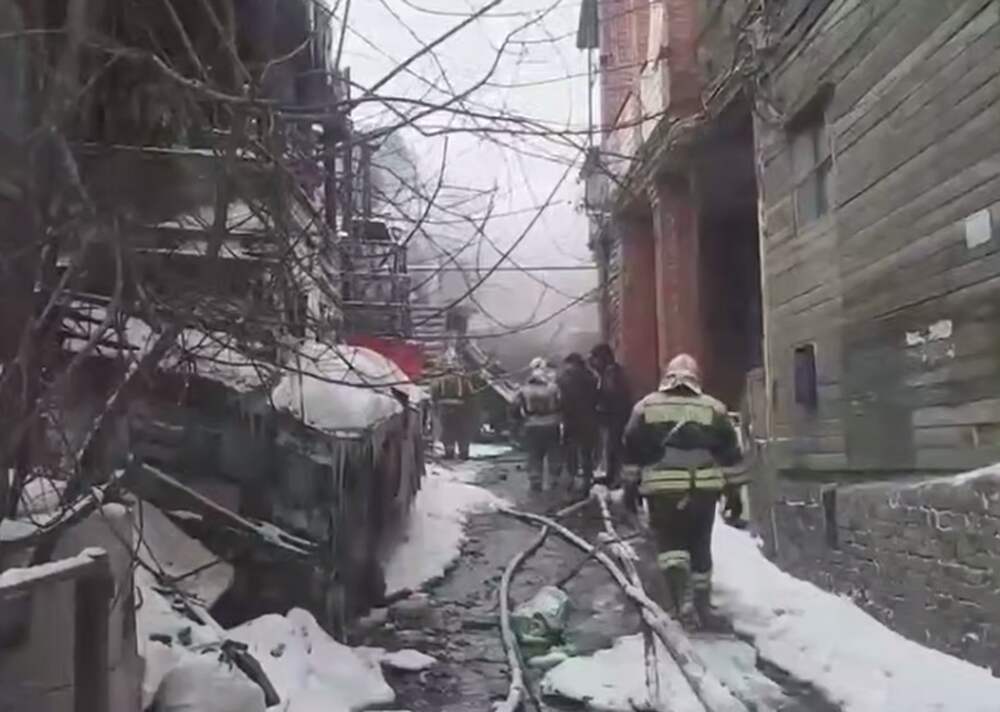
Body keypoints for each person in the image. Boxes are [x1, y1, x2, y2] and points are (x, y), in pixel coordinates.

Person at [622, 353, 744, 631]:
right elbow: (730, 456)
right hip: (703, 492)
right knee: (700, 545)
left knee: (669, 546)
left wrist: (630, 490)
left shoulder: (645, 408)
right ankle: (703, 606)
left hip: (662, 492)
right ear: (696, 379)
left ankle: (681, 603)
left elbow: (631, 451)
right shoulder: (714, 409)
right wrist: (734, 495)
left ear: (667, 377)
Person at [515, 357, 563, 492]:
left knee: (534, 454)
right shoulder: (553, 388)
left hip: (532, 424)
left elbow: (515, 407)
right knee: (553, 452)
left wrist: (520, 422)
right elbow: (561, 404)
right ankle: (554, 479)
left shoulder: (524, 390)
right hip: (552, 424)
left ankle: (535, 479)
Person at [589, 343, 631, 486]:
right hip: (612, 416)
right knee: (611, 447)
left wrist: (598, 401)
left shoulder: (611, 373)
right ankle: (612, 476)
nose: (593, 363)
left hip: (615, 416)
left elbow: (611, 394)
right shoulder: (607, 373)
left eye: (595, 358)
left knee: (615, 447)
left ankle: (617, 478)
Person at [557, 353, 599, 491]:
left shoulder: (564, 377)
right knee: (586, 451)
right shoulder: (591, 376)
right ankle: (587, 478)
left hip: (571, 418)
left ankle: (572, 478)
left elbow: (561, 399)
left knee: (571, 450)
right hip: (589, 417)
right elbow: (596, 396)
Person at [431, 351, 476, 460]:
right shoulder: (464, 379)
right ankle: (463, 452)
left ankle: (449, 453)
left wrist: (436, 409)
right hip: (461, 409)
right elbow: (471, 395)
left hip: (445, 409)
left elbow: (434, 396)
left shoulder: (439, 380)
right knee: (462, 432)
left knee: (448, 432)